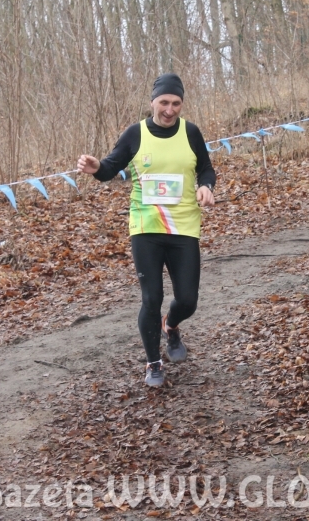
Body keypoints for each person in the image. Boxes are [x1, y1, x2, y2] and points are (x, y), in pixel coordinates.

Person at [77, 73, 216, 387]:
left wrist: (206, 186)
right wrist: (96, 167)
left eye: (176, 103)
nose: (169, 109)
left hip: (184, 226)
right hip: (146, 227)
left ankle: (172, 326)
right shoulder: (135, 134)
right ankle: (154, 363)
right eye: (164, 102)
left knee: (188, 299)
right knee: (151, 298)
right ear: (153, 101)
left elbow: (205, 167)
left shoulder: (191, 132)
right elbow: (111, 167)